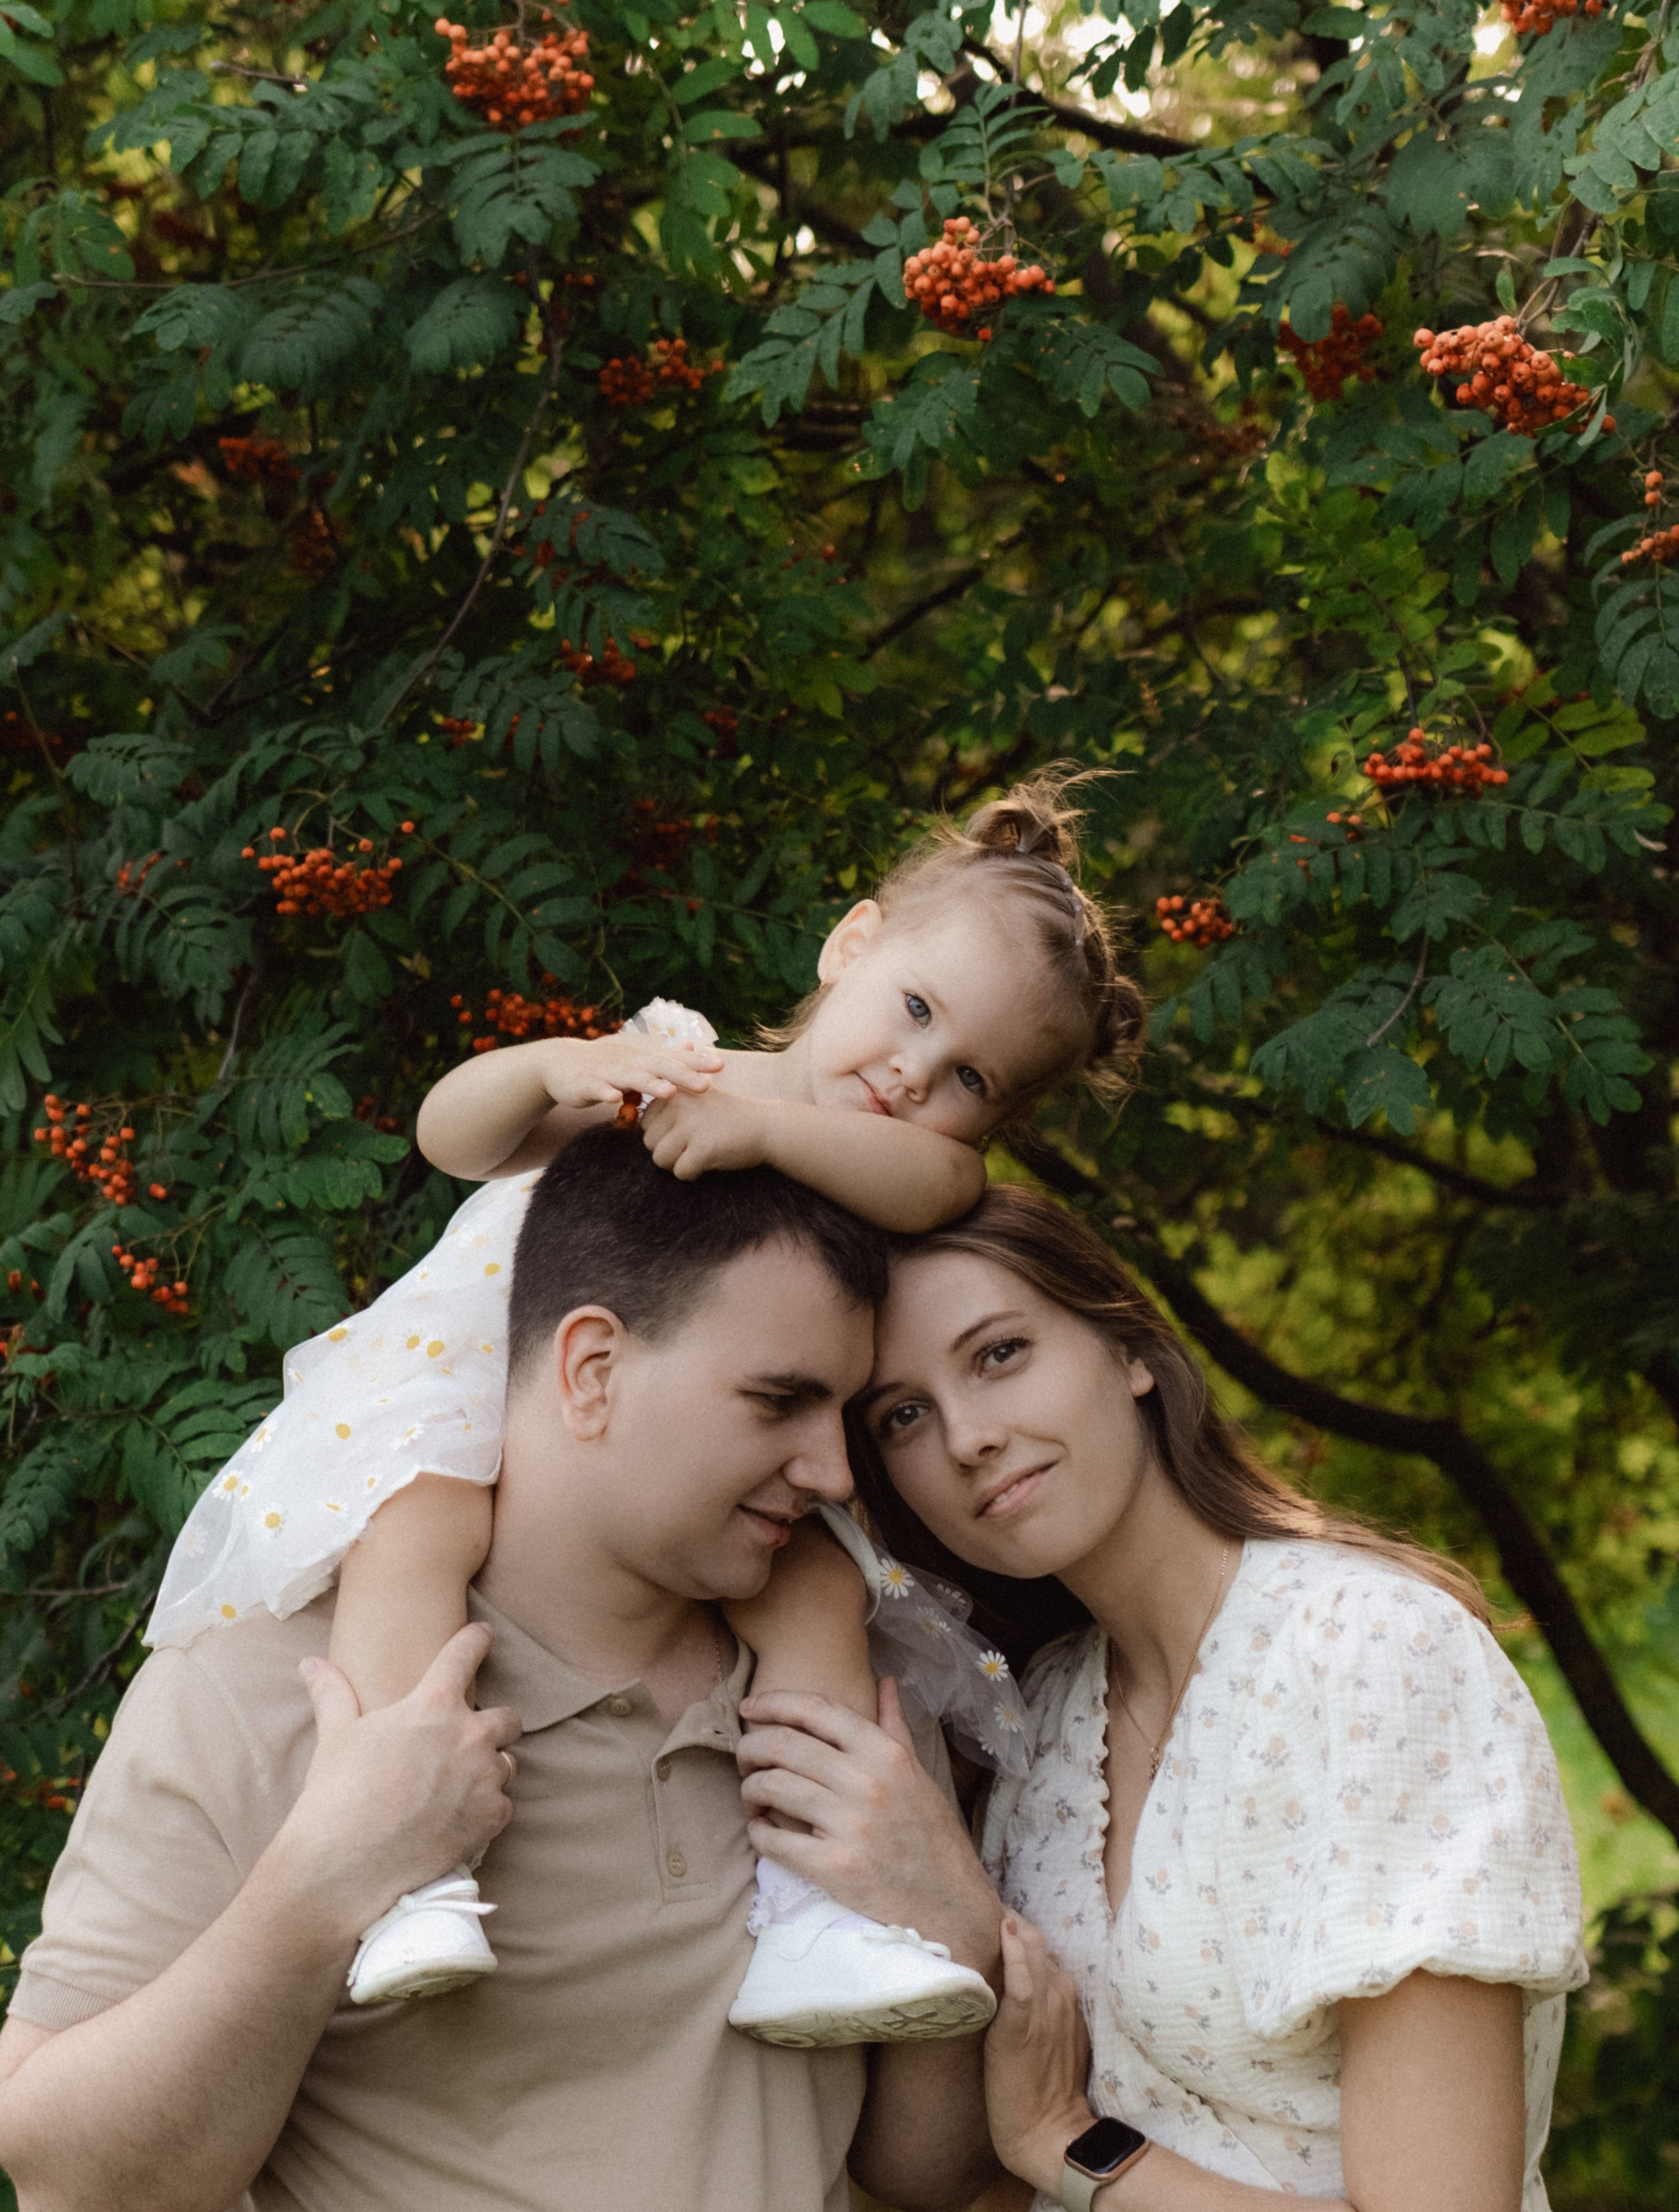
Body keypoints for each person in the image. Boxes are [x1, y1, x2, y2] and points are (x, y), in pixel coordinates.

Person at [0, 1132, 1007, 2212]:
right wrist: (318, 1888)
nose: (834, 1470)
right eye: (779, 1401)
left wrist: (953, 1934)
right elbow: (76, 2208)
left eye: (846, 1409)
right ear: (590, 1368)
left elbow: (920, 2176)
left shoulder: (846, 1713)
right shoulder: (272, 1688)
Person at [147, 775, 1143, 2032]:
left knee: (822, 1597)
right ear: (853, 944)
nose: (913, 1073)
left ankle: (822, 1915)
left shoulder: (904, 1170)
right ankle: (402, 1864)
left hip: (686, 1454)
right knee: (415, 1531)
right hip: (484, 1378)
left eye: (971, 1079)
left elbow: (931, 1179)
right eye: (915, 1010)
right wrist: (555, 1065)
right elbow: (454, 1137)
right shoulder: (669, 1061)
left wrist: (765, 1138)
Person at [844, 1185, 1604, 2212]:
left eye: (1000, 1353)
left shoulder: (1368, 1660)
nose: (966, 1438)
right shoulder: (1042, 1723)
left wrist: (1072, 2143)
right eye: (902, 1415)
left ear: (1133, 1352)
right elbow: (1002, 2207)